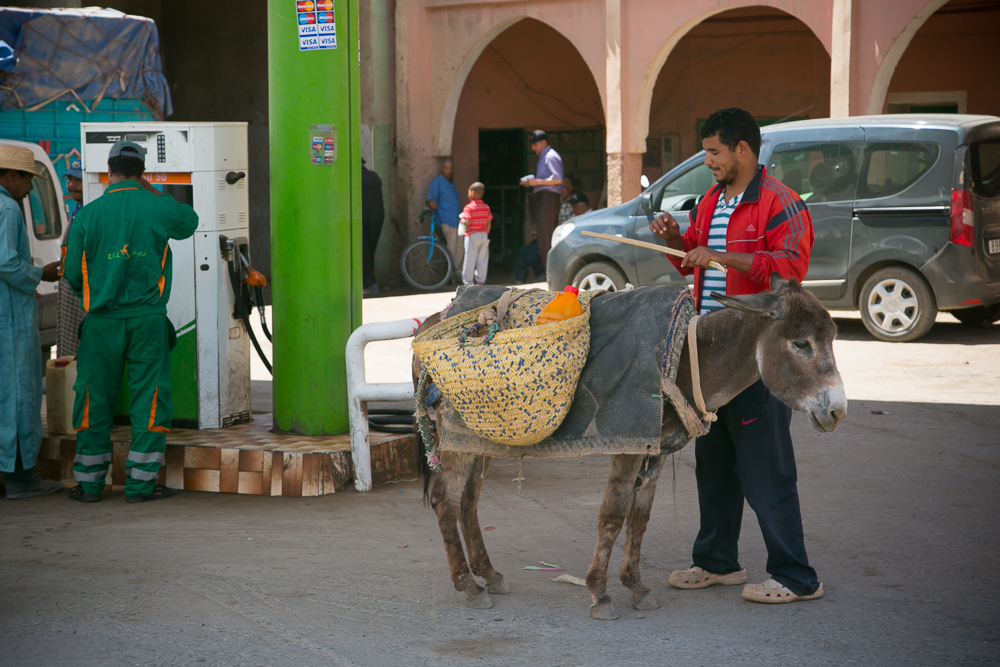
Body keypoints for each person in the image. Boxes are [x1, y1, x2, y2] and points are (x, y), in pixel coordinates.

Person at [648, 107, 821, 604]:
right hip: (711, 352)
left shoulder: (780, 202)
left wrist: (720, 255)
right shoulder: (710, 200)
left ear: (743, 149)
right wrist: (676, 241)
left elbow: (788, 271)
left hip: (757, 356)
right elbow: (694, 260)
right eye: (707, 152)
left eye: (714, 151)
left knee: (766, 467)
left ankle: (797, 577)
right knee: (715, 460)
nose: (708, 161)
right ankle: (717, 562)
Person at [62, 141, 199, 503]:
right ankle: (140, 484)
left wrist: (95, 296)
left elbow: (72, 272)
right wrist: (148, 190)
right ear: (142, 172)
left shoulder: (87, 215)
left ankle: (89, 484)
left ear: (109, 172)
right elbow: (190, 222)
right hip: (146, 321)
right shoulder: (156, 206)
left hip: (101, 323)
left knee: (93, 399)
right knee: (149, 400)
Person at [0, 144, 61, 499]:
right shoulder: (8, 208)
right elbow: (6, 263)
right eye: (26, 180)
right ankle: (22, 478)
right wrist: (40, 273)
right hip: (9, 320)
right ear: (11, 176)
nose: (28, 188)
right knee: (19, 394)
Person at [520, 130, 563, 268]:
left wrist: (536, 182)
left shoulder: (550, 156)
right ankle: (548, 270)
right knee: (543, 236)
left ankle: (551, 272)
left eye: (535, 145)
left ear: (543, 142)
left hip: (548, 199)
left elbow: (557, 179)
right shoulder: (544, 157)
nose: (533, 148)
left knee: (546, 237)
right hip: (543, 198)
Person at [57, 158, 87, 357]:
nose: (71, 184)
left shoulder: (88, 212)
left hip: (81, 292)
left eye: (77, 180)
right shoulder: (77, 210)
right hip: (70, 290)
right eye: (69, 179)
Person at [425, 158, 463, 279]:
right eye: (446, 168)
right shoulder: (437, 182)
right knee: (452, 247)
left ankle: (458, 272)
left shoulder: (451, 184)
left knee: (460, 246)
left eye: (451, 169)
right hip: (446, 218)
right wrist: (431, 203)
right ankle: (451, 274)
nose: (449, 171)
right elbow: (430, 199)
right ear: (441, 169)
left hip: (457, 219)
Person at [459, 182, 491, 286]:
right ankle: (480, 281)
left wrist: (462, 220)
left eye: (468, 192)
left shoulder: (468, 208)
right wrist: (486, 233)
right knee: (482, 259)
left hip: (472, 235)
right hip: (483, 234)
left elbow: (467, 221)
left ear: (472, 193)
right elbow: (488, 222)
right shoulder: (486, 207)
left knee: (470, 259)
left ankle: (467, 283)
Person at [361, 159, 385, 297]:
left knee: (363, 252)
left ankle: (369, 284)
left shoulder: (356, 178)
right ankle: (369, 283)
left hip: (362, 218)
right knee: (369, 250)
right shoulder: (374, 177)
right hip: (377, 218)